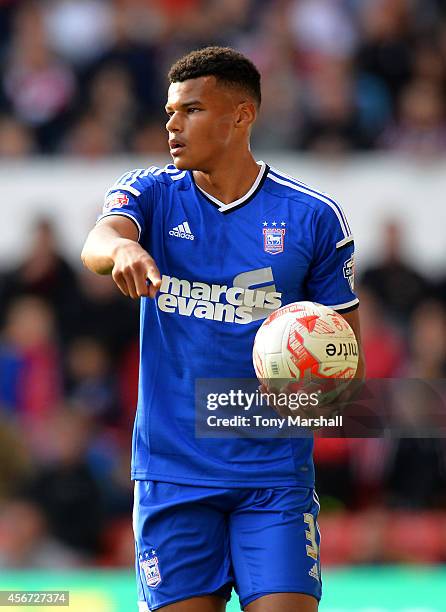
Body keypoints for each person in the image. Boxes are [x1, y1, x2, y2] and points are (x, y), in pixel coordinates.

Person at [82, 46, 365, 612]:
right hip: (174, 473)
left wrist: (318, 394)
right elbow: (99, 241)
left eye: (190, 110)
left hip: (273, 476)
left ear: (240, 116)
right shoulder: (153, 193)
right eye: (169, 112)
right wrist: (124, 251)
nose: (172, 124)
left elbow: (345, 356)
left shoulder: (312, 216)